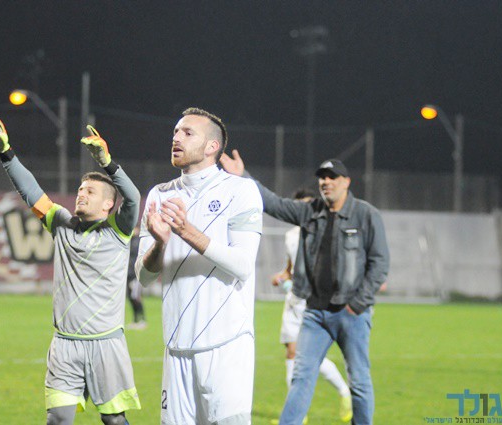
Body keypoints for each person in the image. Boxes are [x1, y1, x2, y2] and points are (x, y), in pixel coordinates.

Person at [0, 115, 141, 425]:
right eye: (80, 189)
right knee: (57, 420)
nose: (81, 193)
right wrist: (5, 152)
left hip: (106, 344)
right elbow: (30, 190)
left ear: (108, 205)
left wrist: (107, 163)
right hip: (64, 344)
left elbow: (132, 197)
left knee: (114, 421)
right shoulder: (61, 223)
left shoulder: (118, 231)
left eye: (90, 192)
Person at [220, 152, 389, 425]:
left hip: (351, 314)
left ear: (346, 182)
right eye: (322, 178)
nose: (326, 182)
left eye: (332, 177)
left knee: (359, 381)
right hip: (314, 314)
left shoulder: (366, 215)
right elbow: (274, 204)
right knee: (301, 378)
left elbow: (380, 263)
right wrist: (243, 177)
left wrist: (358, 304)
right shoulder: (310, 211)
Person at [135, 108, 263, 425]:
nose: (176, 138)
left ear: (212, 147)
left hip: (227, 346)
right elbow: (144, 277)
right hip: (176, 347)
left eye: (188, 133)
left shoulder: (240, 190)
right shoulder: (159, 195)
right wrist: (160, 243)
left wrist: (187, 231)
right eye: (175, 132)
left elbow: (243, 265)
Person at [271, 189, 352, 424]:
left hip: (312, 301)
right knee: (291, 353)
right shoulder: (290, 235)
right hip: (293, 301)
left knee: (306, 357)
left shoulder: (323, 233)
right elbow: (290, 268)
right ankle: (298, 415)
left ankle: (344, 391)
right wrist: (282, 276)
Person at [126, 227, 146, 330]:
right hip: (128, 275)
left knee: (136, 297)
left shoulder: (138, 242)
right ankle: (135, 320)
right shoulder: (130, 241)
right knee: (131, 298)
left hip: (135, 276)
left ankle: (142, 320)